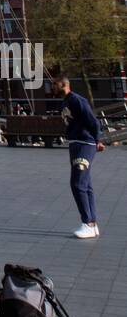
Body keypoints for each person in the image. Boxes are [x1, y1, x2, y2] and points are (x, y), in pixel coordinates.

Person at [52, 77, 104, 238]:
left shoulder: (77, 100)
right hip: (76, 143)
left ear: (64, 85)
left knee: (78, 183)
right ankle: (92, 223)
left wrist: (98, 139)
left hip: (84, 144)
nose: (52, 87)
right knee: (86, 185)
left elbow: (92, 120)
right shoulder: (65, 102)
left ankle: (87, 223)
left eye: (55, 84)